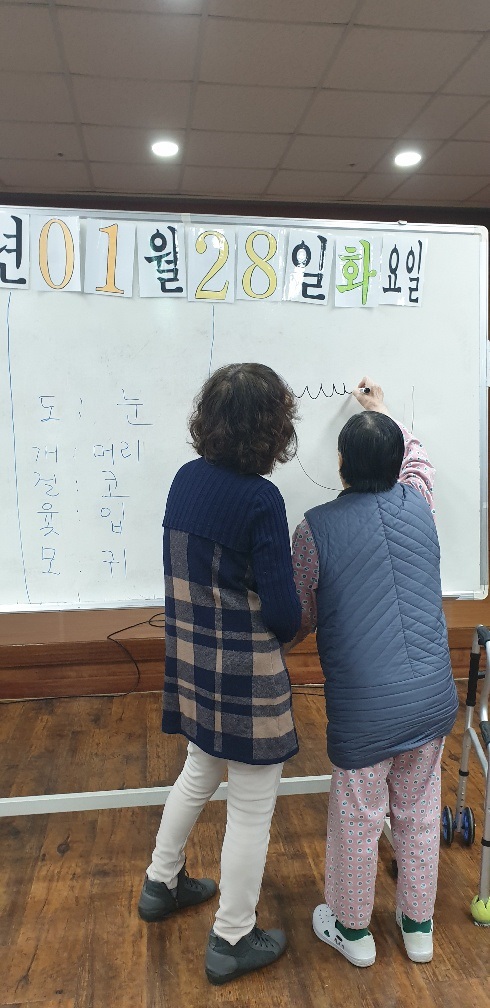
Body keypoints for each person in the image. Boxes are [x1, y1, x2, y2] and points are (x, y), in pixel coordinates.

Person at [138, 363, 302, 986]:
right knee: (252, 808)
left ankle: (161, 882)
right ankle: (232, 937)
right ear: (273, 430)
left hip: (194, 666)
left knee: (199, 770)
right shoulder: (261, 500)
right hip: (245, 677)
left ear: (208, 418)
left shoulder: (185, 480)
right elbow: (283, 615)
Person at [288, 377, 458, 968]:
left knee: (359, 820)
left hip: (366, 713)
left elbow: (299, 617)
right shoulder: (419, 502)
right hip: (432, 698)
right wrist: (383, 411)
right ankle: (418, 927)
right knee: (418, 813)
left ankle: (352, 930)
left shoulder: (313, 529)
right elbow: (420, 460)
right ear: (394, 463)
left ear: (340, 464)